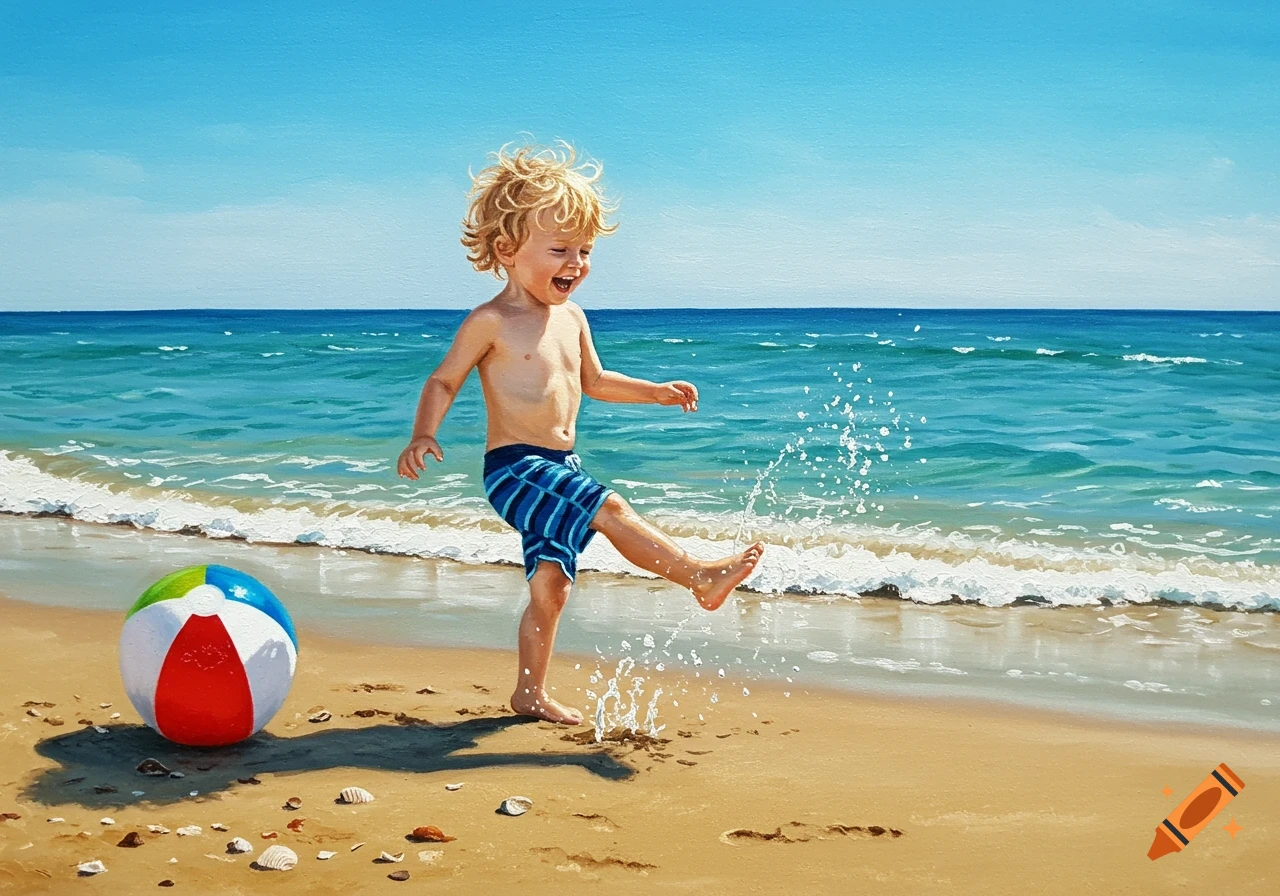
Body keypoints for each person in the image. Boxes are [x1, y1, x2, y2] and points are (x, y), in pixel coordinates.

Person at [397, 143, 764, 724]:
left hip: (559, 467)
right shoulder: (490, 321)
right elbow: (444, 381)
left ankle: (529, 693)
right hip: (515, 469)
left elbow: (593, 381)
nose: (577, 263)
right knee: (610, 506)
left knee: (551, 586)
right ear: (506, 251)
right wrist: (423, 434)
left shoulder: (572, 318)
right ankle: (698, 575)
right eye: (561, 249)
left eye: (585, 250)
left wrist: (655, 391)